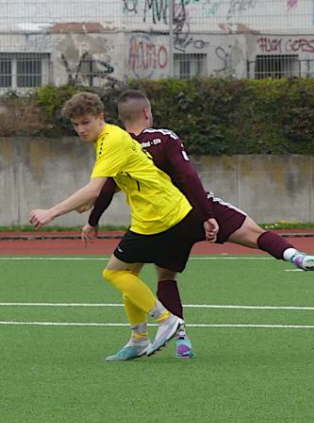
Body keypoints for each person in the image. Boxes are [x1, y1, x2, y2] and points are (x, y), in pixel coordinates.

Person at [81, 90, 314, 359]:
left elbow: (106, 189)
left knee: (165, 276)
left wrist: (93, 221)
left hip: (163, 223)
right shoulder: (164, 137)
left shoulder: (117, 146)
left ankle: (181, 340)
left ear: (119, 119)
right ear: (147, 113)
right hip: (192, 208)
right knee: (253, 233)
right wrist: (206, 215)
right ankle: (296, 256)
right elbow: (188, 175)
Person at [29, 91, 214, 360]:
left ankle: (166, 319)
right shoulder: (107, 139)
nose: (81, 129)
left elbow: (94, 189)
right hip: (155, 213)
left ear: (101, 118)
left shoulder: (112, 139)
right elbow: (107, 184)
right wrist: (88, 209)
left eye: (86, 122)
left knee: (113, 273)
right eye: (76, 124)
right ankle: (138, 339)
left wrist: (52, 212)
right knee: (129, 274)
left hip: (159, 215)